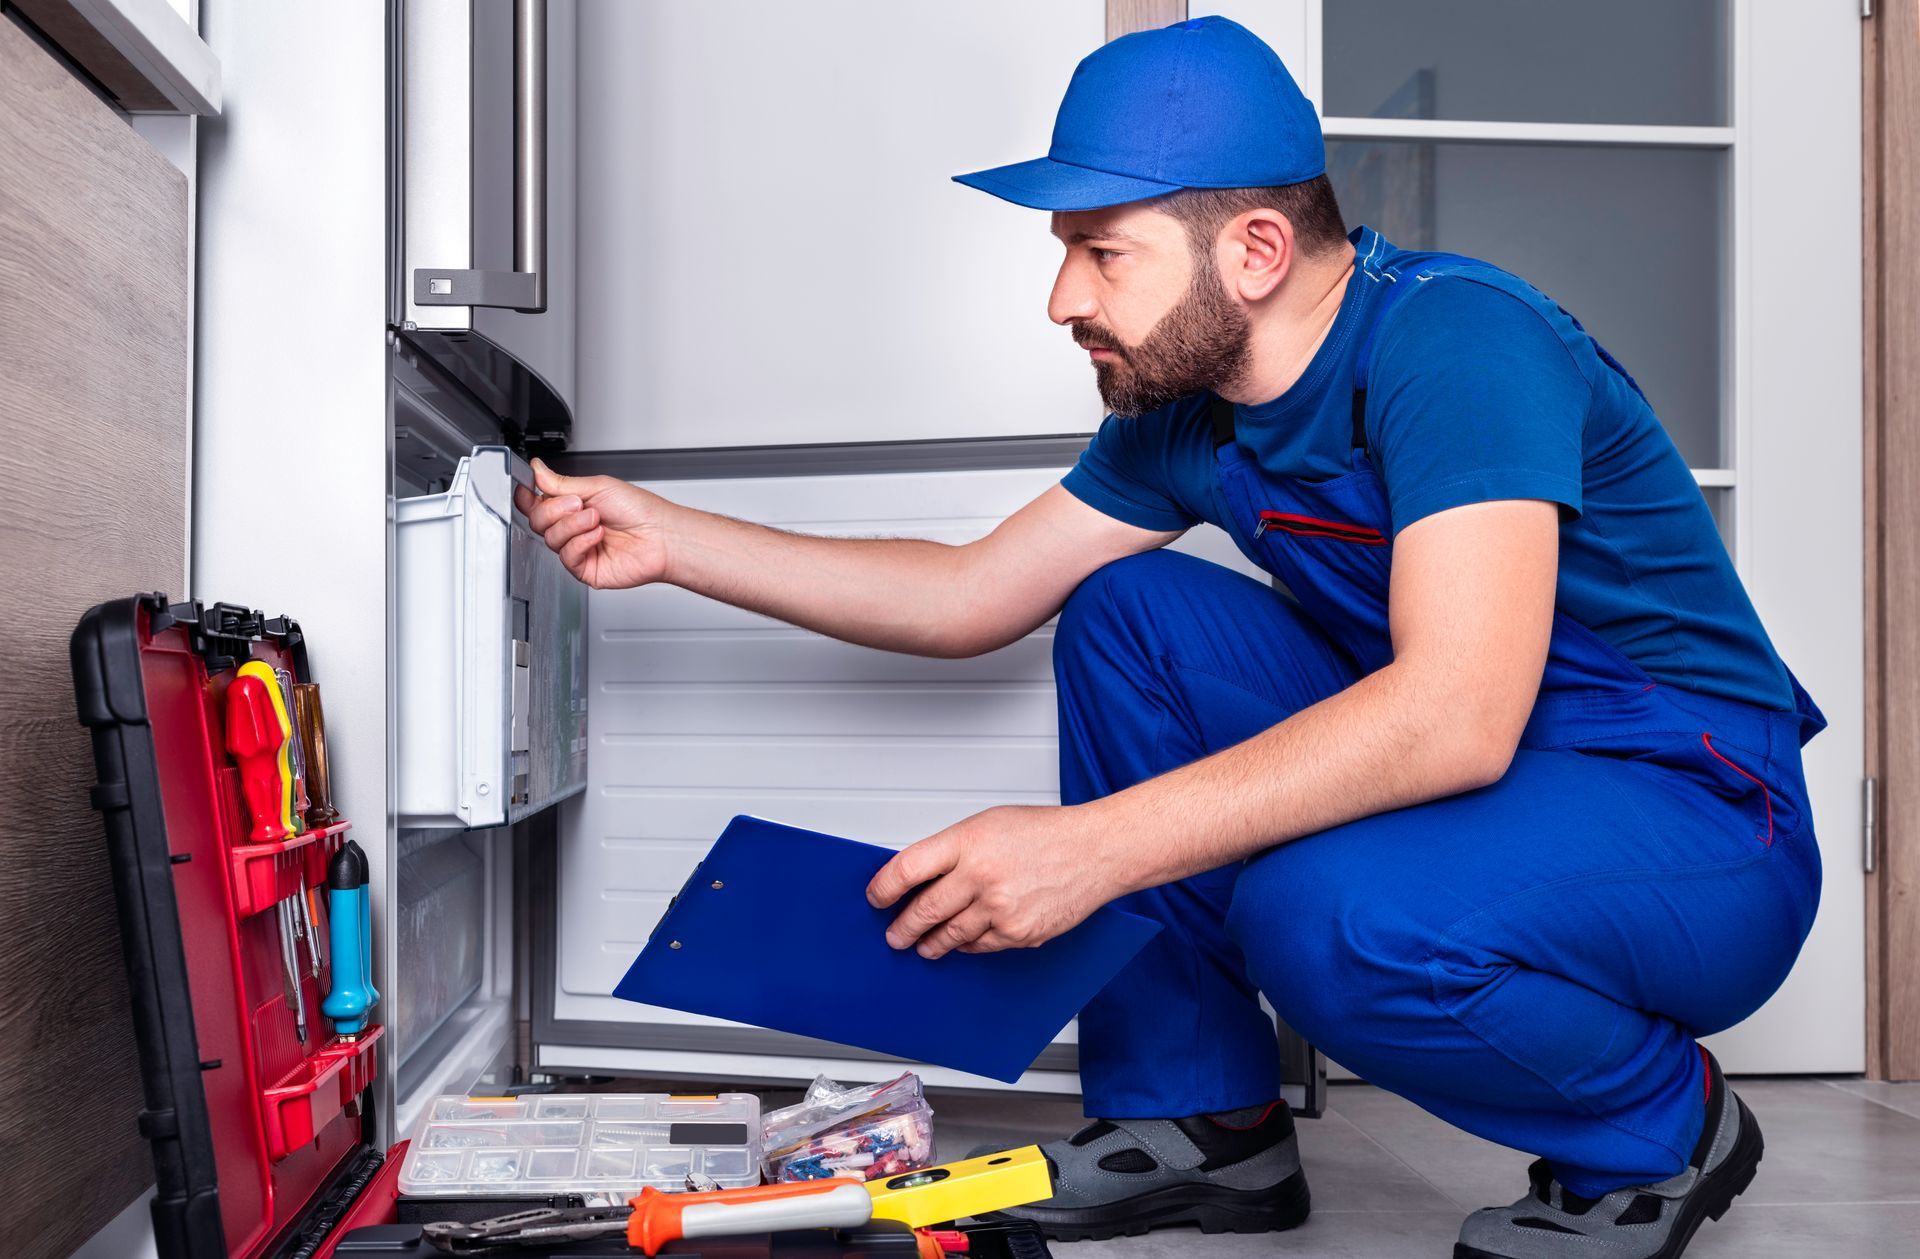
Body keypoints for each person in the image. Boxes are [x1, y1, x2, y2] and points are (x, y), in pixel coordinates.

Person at [519, 17, 1822, 1259]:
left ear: (1253, 252)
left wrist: (1090, 850)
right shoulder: (1188, 414)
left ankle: (1662, 1129)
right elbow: (971, 593)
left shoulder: (1457, 342)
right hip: (1496, 776)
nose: (1059, 298)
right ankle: (1205, 1122)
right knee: (1129, 613)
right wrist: (674, 539)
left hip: (1697, 815)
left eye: (1102, 252)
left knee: (1328, 916)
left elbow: (1456, 714)